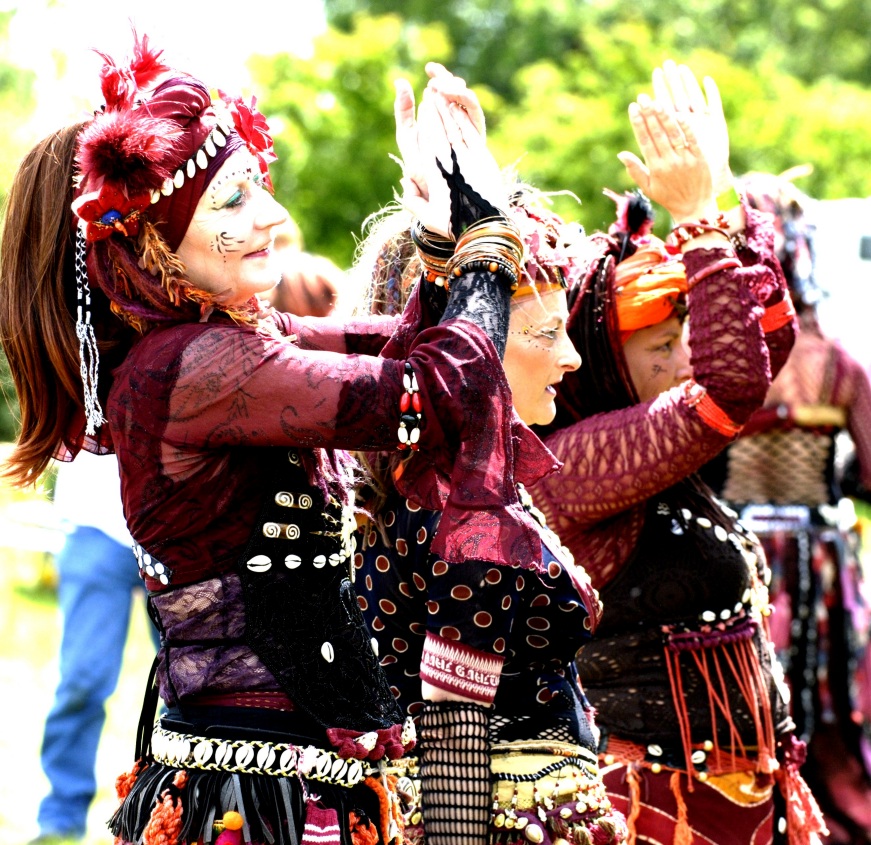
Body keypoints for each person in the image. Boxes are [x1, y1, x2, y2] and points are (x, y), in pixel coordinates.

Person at [0, 33, 542, 845]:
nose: (273, 218)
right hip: (261, 791)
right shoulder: (199, 363)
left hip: (289, 767)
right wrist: (486, 235)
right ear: (148, 239)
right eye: (231, 202)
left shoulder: (227, 341)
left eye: (258, 188)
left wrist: (439, 232)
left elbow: (397, 347)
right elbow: (436, 390)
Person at [529, 62, 826, 844]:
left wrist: (719, 198)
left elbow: (766, 341)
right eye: (661, 343)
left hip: (744, 798)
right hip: (654, 809)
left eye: (685, 332)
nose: (686, 353)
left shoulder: (651, 446)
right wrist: (695, 216)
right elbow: (733, 386)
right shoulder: (573, 463)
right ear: (598, 358)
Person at [354, 177, 628, 845]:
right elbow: (453, 729)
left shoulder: (422, 480)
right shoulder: (466, 503)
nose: (569, 357)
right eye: (544, 332)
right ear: (470, 347)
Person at [700, 171, 871, 845]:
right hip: (817, 552)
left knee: (745, 695)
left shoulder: (713, 358)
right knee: (824, 701)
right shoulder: (838, 362)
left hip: (736, 552)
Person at [32, 451, 159, 845]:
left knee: (188, 686)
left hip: (176, 526)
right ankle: (60, 817)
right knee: (82, 680)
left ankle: (175, 815)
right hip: (95, 523)